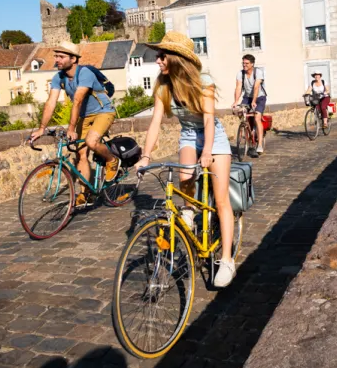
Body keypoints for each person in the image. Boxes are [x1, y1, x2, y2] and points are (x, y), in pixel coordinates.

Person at [133, 31, 237, 288]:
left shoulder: (203, 82)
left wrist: (208, 151)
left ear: (176, 58)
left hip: (214, 136)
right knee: (184, 178)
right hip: (189, 134)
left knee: (221, 198)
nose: (157, 60)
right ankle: (189, 211)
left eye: (161, 56)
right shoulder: (163, 85)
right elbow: (155, 121)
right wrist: (145, 156)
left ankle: (226, 260)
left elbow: (210, 119)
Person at [29, 41, 119, 204]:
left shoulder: (85, 73)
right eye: (56, 56)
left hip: (103, 111)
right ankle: (85, 194)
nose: (57, 59)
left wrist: (71, 128)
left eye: (61, 56)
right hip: (84, 116)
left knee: (91, 142)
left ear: (73, 59)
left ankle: (112, 160)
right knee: (80, 154)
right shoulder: (59, 78)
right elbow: (51, 102)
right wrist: (42, 128)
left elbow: (77, 101)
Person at [232, 54, 266, 154]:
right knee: (240, 112)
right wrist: (236, 101)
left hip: (259, 97)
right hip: (247, 97)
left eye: (246, 63)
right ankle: (247, 127)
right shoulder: (240, 73)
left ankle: (259, 145)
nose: (244, 65)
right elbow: (238, 87)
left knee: (257, 118)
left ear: (252, 64)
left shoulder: (258, 72)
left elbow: (256, 87)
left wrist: (254, 101)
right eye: (243, 63)